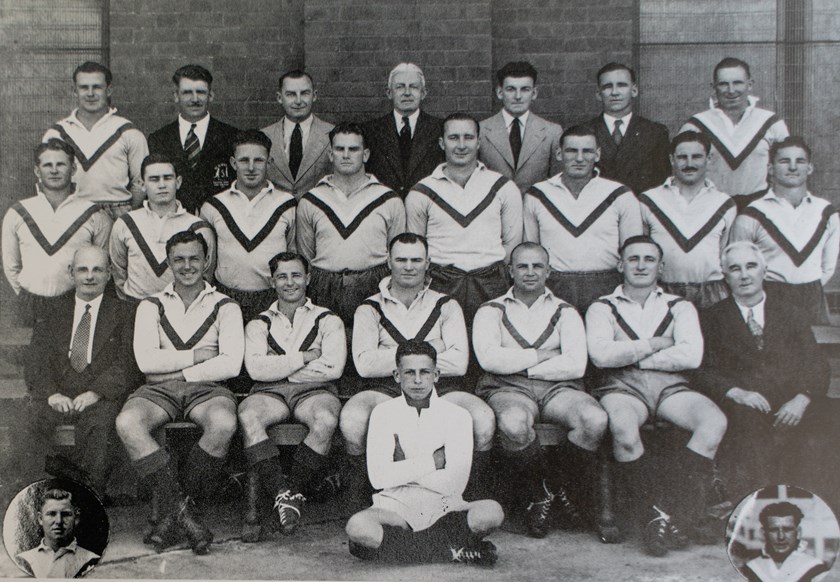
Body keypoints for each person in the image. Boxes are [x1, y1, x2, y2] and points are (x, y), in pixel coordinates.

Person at [586, 235, 727, 556]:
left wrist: (634, 355)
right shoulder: (602, 306)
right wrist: (655, 344)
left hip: (669, 385)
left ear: (661, 266)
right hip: (621, 386)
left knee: (713, 422)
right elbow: (600, 356)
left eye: (649, 259)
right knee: (622, 428)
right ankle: (652, 515)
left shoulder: (679, 306)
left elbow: (691, 356)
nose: (640, 265)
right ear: (620, 264)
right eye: (633, 258)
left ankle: (675, 510)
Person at [341, 233, 495, 510]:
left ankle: (469, 497)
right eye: (401, 260)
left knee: (483, 419)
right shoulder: (370, 308)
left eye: (416, 260)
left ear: (428, 263)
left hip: (441, 386)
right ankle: (362, 499)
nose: (409, 267)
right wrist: (431, 350)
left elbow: (459, 362)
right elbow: (365, 365)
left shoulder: (446, 305)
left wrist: (397, 359)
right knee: (352, 419)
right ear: (388, 262)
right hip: (385, 388)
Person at [115, 230, 244, 555]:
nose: (187, 266)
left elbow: (230, 364)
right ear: (169, 263)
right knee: (128, 422)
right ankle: (185, 515)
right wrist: (197, 356)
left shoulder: (225, 306)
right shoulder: (151, 305)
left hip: (209, 388)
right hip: (159, 388)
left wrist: (178, 369)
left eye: (194, 259)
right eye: (179, 260)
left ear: (206, 261)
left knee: (224, 424)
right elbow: (146, 362)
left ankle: (171, 517)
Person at [473, 242, 606, 538]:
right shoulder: (490, 310)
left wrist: (521, 365)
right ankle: (539, 494)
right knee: (513, 423)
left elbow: (575, 365)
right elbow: (489, 359)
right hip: (508, 388)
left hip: (560, 387)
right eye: (522, 266)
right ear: (510, 271)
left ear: (549, 270)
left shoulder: (565, 311)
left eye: (537, 266)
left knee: (594, 420)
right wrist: (543, 355)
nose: (530, 272)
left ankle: (554, 486)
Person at [345, 340, 504, 566]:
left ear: (436, 375)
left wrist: (403, 467)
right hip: (395, 505)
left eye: (425, 372)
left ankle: (399, 549)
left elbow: (455, 483)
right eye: (409, 372)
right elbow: (379, 478)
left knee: (491, 512)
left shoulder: (457, 415)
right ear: (397, 375)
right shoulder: (383, 413)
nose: (418, 380)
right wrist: (433, 461)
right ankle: (451, 551)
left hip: (444, 504)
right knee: (358, 527)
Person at [696, 241, 834, 500]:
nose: (744, 275)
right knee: (749, 436)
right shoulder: (712, 318)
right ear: (724, 276)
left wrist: (802, 399)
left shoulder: (790, 313)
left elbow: (816, 363)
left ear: (764, 270)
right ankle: (760, 511)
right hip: (744, 406)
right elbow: (702, 369)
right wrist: (737, 393)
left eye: (751, 266)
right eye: (735, 269)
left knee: (827, 425)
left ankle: (819, 510)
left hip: (792, 401)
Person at [238, 251, 345, 540]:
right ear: (272, 281)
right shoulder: (258, 323)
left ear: (308, 278)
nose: (290, 282)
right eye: (282, 277)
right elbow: (257, 369)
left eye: (296, 275)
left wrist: (281, 367)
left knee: (325, 418)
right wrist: (308, 357)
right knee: (249, 415)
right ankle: (284, 493)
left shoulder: (327, 319)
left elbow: (333, 368)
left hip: (315, 391)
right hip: (268, 391)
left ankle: (290, 490)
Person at [23, 246, 137, 493]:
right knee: (30, 421)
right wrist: (51, 394)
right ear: (71, 272)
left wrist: (96, 392)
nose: (89, 276)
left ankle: (89, 498)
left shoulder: (124, 312)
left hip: (98, 395)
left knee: (100, 425)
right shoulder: (52, 310)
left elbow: (126, 362)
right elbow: (36, 359)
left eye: (97, 270)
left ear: (108, 274)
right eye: (83, 269)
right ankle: (34, 495)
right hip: (57, 392)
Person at [406, 112, 523, 323]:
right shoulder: (422, 191)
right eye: (453, 138)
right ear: (442, 143)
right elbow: (416, 247)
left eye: (468, 137)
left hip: (491, 282)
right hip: (441, 282)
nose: (461, 145)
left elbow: (512, 244)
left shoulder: (503, 187)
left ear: (479, 142)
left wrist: (485, 269)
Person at [524, 125, 643, 313]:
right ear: (559, 154)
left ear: (597, 155)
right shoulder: (537, 195)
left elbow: (634, 252)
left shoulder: (620, 195)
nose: (579, 158)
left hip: (607, 286)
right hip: (555, 287)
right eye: (571, 151)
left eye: (587, 151)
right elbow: (530, 250)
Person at [296, 122, 406, 326]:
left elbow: (397, 255)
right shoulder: (311, 200)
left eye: (353, 149)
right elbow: (305, 256)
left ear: (365, 155)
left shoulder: (389, 199)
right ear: (330, 154)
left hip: (373, 284)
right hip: (324, 287)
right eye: (340, 149)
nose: (346, 155)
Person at [729, 137, 839, 325]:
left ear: (810, 168)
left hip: (812, 298)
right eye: (784, 161)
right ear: (770, 169)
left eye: (800, 161)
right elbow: (737, 263)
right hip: (769, 296)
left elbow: (828, 267)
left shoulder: (826, 212)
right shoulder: (752, 214)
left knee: (812, 353)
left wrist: (808, 285)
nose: (793, 167)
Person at [2, 139, 112, 324]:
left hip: (75, 301)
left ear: (73, 168)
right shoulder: (17, 212)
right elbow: (11, 267)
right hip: (29, 305)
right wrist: (28, 294)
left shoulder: (95, 214)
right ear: (37, 171)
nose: (54, 170)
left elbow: (104, 264)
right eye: (47, 165)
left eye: (61, 164)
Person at [200, 129, 296, 323]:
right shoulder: (213, 206)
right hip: (226, 296)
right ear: (233, 163)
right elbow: (208, 263)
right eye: (244, 161)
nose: (251, 167)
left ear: (269, 162)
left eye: (258, 160)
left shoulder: (287, 204)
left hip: (273, 298)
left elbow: (294, 253)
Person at [640, 131, 736, 308]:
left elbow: (726, 252)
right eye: (682, 157)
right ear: (671, 160)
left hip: (712, 293)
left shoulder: (724, 203)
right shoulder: (649, 200)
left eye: (697, 157)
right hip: (662, 292)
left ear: (708, 159)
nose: (689, 164)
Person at [43, 61, 148, 219]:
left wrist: (126, 215)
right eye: (84, 87)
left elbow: (142, 182)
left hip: (118, 213)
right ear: (74, 91)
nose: (90, 93)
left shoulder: (128, 132)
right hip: (72, 213)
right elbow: (46, 182)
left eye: (97, 87)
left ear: (109, 90)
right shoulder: (57, 133)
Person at [681, 57, 789, 210]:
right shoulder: (696, 125)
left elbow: (786, 170)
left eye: (737, 83)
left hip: (759, 208)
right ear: (714, 87)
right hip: (710, 209)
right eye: (724, 84)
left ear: (750, 85)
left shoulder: (772, 123)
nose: (731, 90)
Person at [109, 153, 216, 301]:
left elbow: (205, 276)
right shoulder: (125, 223)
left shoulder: (199, 228)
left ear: (178, 182)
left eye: (167, 178)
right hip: (134, 309)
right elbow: (118, 271)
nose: (161, 185)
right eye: (154, 179)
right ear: (142, 184)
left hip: (179, 311)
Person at [148, 64, 239, 214]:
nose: (195, 99)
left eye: (201, 92)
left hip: (221, 220)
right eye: (187, 92)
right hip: (174, 221)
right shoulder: (159, 139)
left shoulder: (231, 136)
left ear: (211, 95)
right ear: (176, 96)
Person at [583, 63, 670, 195]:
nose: (614, 92)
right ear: (598, 94)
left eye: (621, 85)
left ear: (634, 90)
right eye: (607, 87)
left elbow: (662, 184)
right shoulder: (584, 132)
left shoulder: (655, 133)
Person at [478, 61, 563, 194]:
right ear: (500, 92)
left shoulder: (552, 132)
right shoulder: (481, 130)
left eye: (525, 89)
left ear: (534, 93)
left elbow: (557, 181)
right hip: (494, 211)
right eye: (511, 89)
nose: (518, 96)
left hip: (535, 211)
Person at [362, 63, 444, 198]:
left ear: (423, 93)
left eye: (413, 87)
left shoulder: (439, 129)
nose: (407, 93)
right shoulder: (370, 131)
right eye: (400, 87)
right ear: (389, 93)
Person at [262, 69, 334, 200]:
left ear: (314, 95)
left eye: (305, 93)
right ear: (279, 98)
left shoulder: (332, 134)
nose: (298, 101)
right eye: (291, 94)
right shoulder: (264, 136)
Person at [16, 489, 100, 578]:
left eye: (66, 514)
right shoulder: (24, 560)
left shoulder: (92, 560)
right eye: (51, 514)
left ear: (76, 518)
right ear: (40, 519)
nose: (59, 521)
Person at [740, 502, 830, 582]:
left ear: (798, 532)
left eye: (787, 529)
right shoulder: (750, 570)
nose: (781, 537)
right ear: (764, 533)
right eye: (774, 530)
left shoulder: (816, 569)